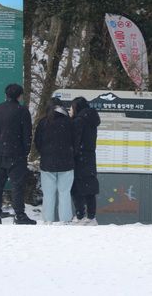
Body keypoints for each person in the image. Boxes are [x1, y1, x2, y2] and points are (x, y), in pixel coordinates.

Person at [0, 83, 36, 225]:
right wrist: (25, 151)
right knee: (17, 185)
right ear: (20, 96)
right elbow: (27, 134)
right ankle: (19, 215)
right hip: (17, 153)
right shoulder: (22, 111)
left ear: (6, 95)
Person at [34, 97, 74, 224]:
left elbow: (37, 142)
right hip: (66, 163)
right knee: (64, 193)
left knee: (48, 194)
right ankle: (65, 220)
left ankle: (48, 220)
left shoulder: (43, 122)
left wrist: (45, 153)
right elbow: (75, 141)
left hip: (47, 163)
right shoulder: (69, 122)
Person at [70, 97, 101, 226]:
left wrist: (72, 154)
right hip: (89, 157)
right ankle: (91, 217)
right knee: (89, 187)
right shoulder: (91, 120)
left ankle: (80, 215)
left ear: (77, 107)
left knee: (76, 188)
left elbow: (75, 141)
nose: (70, 110)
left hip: (79, 158)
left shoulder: (79, 121)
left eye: (71, 107)